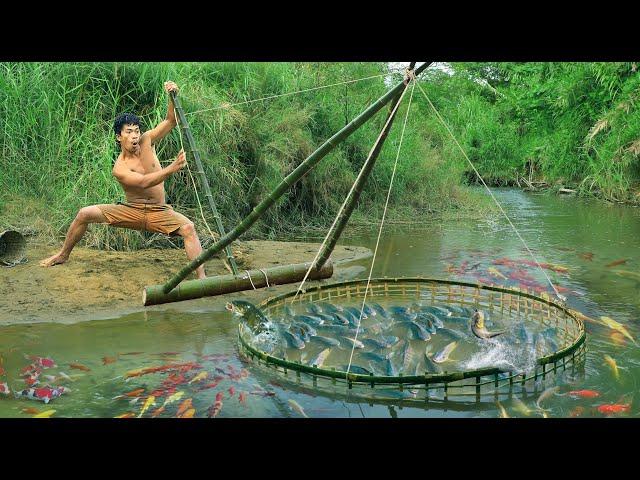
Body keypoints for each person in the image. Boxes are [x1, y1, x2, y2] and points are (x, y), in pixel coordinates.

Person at [40, 81, 206, 280]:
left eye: (136, 130)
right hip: (132, 211)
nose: (135, 135)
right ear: (119, 137)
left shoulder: (147, 140)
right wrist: (173, 167)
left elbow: (171, 121)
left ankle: (201, 278)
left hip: (159, 211)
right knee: (84, 213)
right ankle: (62, 254)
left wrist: (173, 95)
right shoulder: (119, 167)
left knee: (188, 228)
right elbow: (144, 182)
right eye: (129, 132)